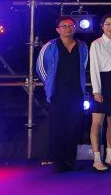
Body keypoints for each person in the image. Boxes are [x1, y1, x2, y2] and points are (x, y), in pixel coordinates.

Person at [36, 16, 88, 172]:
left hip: (76, 93)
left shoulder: (82, 46)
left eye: (71, 25)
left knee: (74, 127)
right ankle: (58, 161)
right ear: (57, 29)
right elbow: (40, 67)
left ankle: (70, 160)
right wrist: (49, 84)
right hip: (57, 93)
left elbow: (84, 66)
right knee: (57, 127)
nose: (68, 28)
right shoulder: (50, 46)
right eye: (64, 26)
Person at [88, 13, 111, 171]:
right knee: (97, 122)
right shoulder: (96, 44)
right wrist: (97, 90)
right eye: (108, 24)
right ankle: (97, 159)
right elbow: (94, 68)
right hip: (102, 81)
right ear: (102, 26)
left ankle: (110, 157)